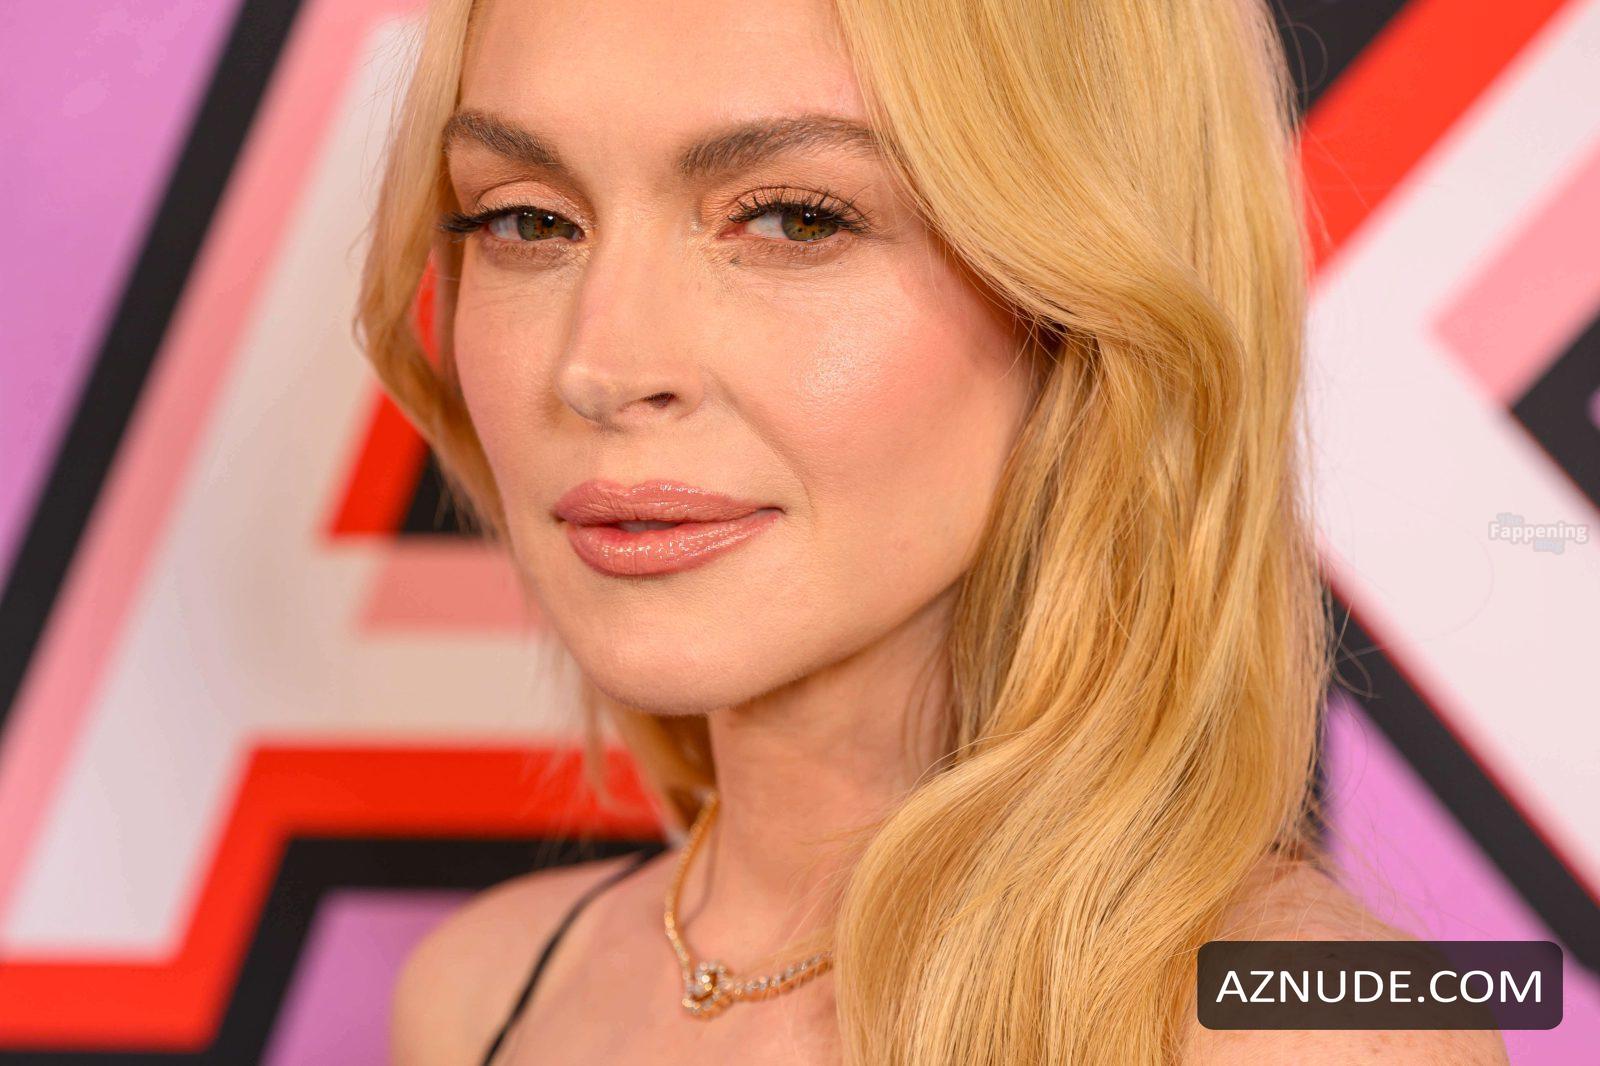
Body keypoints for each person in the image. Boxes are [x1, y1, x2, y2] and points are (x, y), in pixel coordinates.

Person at [355, 0, 1509, 1062]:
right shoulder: (477, 994)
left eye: (794, 218)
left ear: (1077, 302)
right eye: (527, 220)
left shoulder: (1327, 1029)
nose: (600, 366)